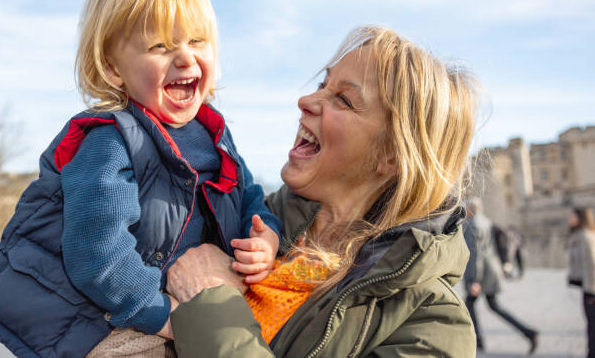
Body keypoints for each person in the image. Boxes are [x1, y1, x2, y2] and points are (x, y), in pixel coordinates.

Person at [0, 0, 282, 357]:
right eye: (160, 46)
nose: (185, 58)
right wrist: (161, 314)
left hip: (183, 300)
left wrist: (265, 237)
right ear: (114, 68)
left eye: (197, 41)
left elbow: (248, 196)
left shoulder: (215, 136)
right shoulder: (112, 141)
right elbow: (96, 251)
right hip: (112, 317)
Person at [165, 26, 479, 356]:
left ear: (393, 155)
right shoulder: (241, 221)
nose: (305, 101)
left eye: (343, 99)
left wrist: (211, 301)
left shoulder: (432, 325)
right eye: (321, 85)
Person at [463, 197, 538, 353]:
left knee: (471, 304)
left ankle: (478, 340)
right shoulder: (487, 222)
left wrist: (473, 280)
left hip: (482, 274)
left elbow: (475, 255)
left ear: (470, 210)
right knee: (492, 305)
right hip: (492, 270)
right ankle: (528, 332)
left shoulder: (472, 225)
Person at [568, 207, 595, 357]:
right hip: (587, 287)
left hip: (592, 289)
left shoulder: (585, 236)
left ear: (580, 218)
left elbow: (593, 264)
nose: (569, 219)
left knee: (592, 328)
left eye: (572, 216)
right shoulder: (579, 236)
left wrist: (592, 291)